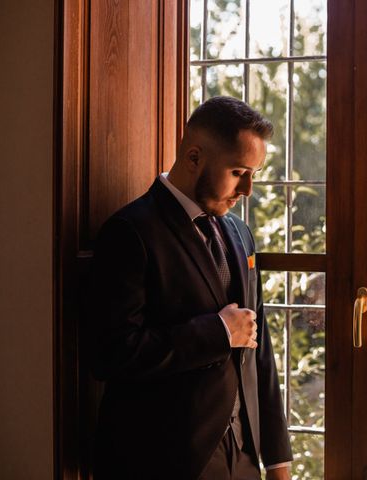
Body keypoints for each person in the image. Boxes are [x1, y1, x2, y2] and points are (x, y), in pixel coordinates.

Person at [88, 96, 292, 479]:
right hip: (160, 459)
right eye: (237, 172)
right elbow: (112, 353)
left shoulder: (240, 233)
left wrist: (277, 459)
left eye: (253, 174)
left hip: (244, 460)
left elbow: (258, 347)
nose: (247, 189)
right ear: (194, 157)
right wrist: (216, 332)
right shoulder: (130, 232)